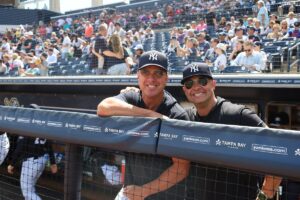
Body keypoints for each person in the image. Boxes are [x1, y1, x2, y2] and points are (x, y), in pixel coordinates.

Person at [180, 63, 282, 200]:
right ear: (185, 90)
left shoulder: (239, 115)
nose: (196, 87)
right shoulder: (187, 119)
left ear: (213, 84)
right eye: (189, 83)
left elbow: (279, 150)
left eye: (202, 81)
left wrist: (264, 196)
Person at [97, 50, 190, 200]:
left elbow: (181, 168)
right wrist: (150, 115)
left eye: (158, 73)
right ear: (137, 76)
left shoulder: (176, 114)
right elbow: (103, 107)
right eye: (145, 72)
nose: (151, 78)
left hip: (162, 196)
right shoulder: (132, 96)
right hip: (130, 191)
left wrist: (144, 191)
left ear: (166, 78)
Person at [7, 104, 57, 200]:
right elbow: (49, 146)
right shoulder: (44, 126)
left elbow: (19, 149)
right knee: (30, 189)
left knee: (27, 192)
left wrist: (12, 164)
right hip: (42, 161)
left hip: (31, 163)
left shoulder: (28, 126)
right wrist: (53, 163)